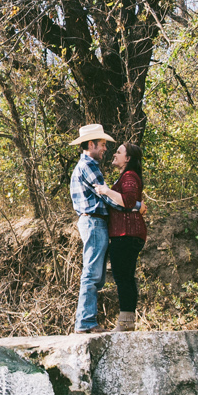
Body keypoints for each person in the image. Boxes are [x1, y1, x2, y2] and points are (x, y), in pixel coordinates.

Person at [68, 123, 120, 333]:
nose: (105, 149)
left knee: (95, 274)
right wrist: (133, 206)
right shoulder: (88, 166)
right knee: (91, 273)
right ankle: (85, 323)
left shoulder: (86, 166)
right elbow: (108, 197)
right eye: (103, 144)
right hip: (93, 221)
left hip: (93, 221)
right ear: (92, 144)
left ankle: (87, 321)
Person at [105, 141, 146, 331]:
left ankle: (126, 323)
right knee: (125, 277)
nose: (115, 154)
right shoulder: (127, 177)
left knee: (124, 277)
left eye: (119, 152)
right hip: (126, 233)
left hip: (126, 234)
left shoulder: (129, 175)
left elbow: (128, 201)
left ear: (127, 159)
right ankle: (127, 322)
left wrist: (105, 190)